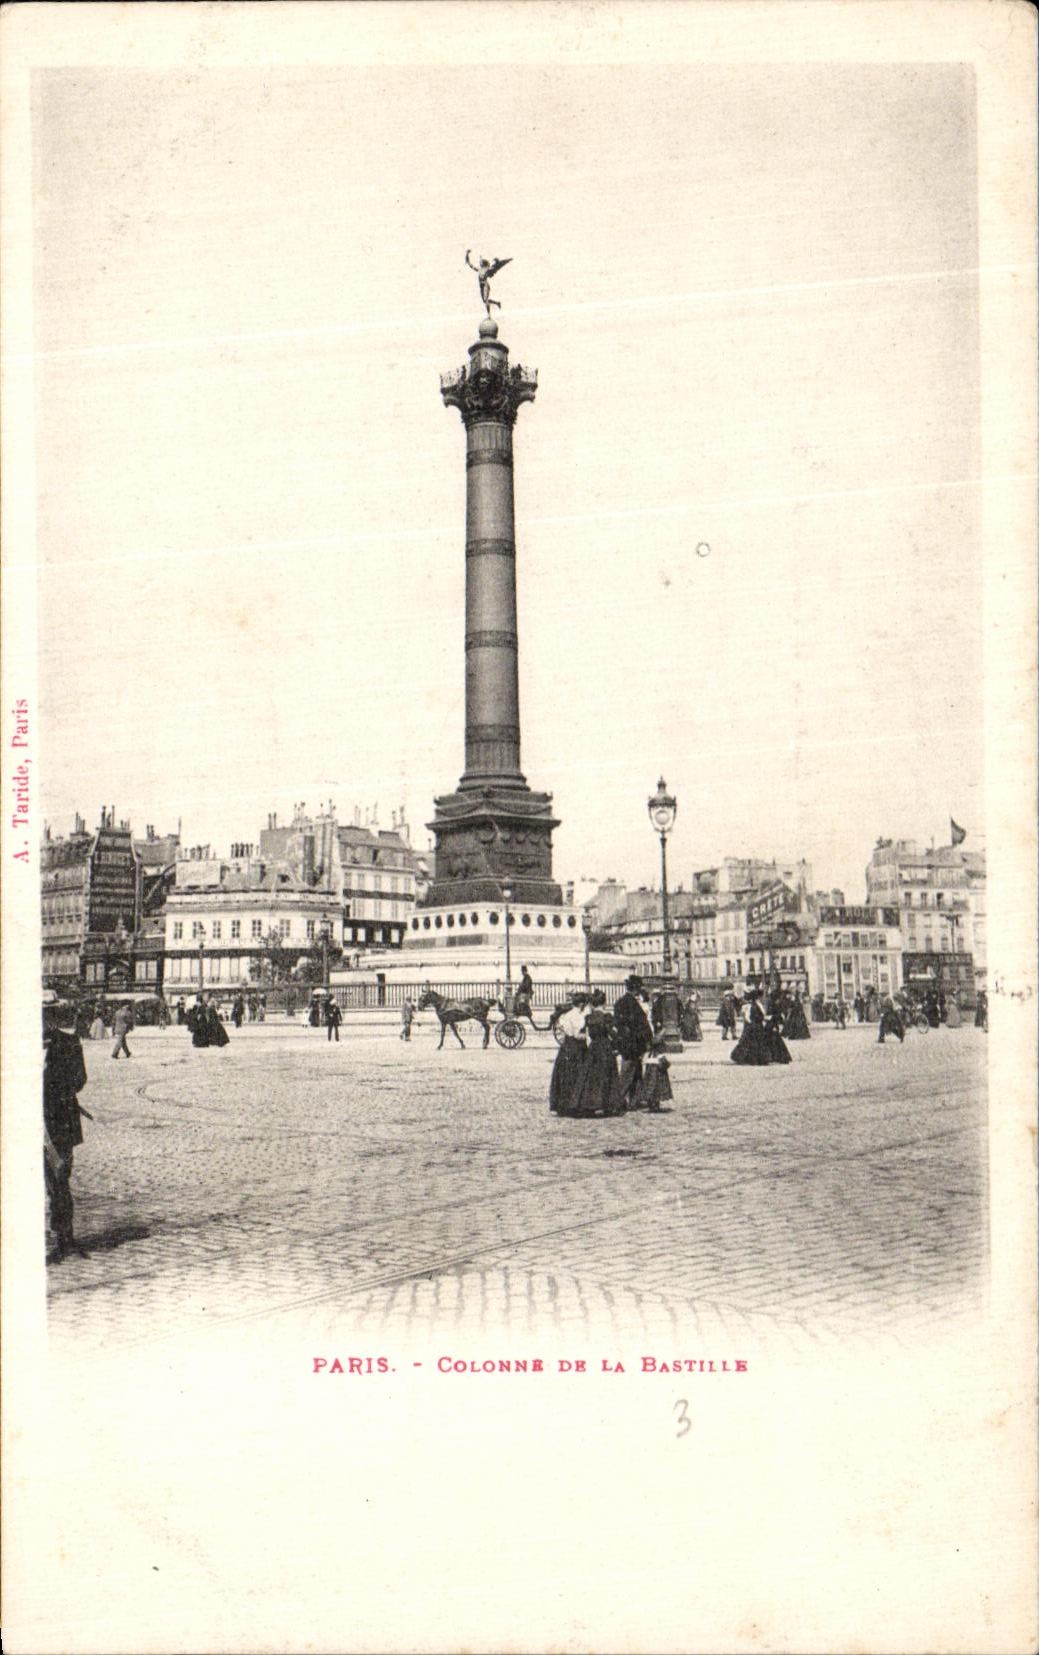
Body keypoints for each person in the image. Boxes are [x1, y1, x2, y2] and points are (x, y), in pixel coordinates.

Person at [43, 998, 90, 1262]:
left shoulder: (69, 1043)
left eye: (46, 1014)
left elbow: (79, 1079)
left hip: (59, 1121)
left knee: (59, 1180)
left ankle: (64, 1237)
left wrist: (50, 1086)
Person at [570, 990, 625, 1117]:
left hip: (593, 1047)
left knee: (592, 1076)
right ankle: (607, 1104)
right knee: (607, 1075)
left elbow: (583, 1032)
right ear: (604, 1003)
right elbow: (613, 1034)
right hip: (605, 1047)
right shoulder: (607, 1017)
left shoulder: (588, 1017)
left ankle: (589, 1103)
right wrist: (617, 1046)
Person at [612, 975, 653, 1108]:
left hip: (626, 1042)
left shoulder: (620, 1002)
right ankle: (619, 1101)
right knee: (629, 1072)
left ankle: (634, 1100)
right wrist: (648, 1039)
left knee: (634, 1071)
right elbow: (641, 1024)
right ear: (636, 988)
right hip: (633, 1043)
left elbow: (617, 1023)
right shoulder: (633, 1003)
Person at [549, 994, 591, 1116]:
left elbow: (565, 1031)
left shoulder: (567, 1015)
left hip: (566, 1047)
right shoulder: (578, 1016)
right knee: (576, 1074)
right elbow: (577, 1035)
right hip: (577, 1047)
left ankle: (562, 1105)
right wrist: (588, 1036)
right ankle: (574, 1105)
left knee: (564, 1075)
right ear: (582, 1005)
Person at [729, 987, 773, 1066]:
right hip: (755, 1026)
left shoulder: (755, 1005)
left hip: (756, 1026)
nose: (761, 998)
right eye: (760, 997)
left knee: (753, 1043)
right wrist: (756, 1022)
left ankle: (756, 1059)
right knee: (754, 1043)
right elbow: (748, 1017)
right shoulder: (752, 1005)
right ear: (757, 997)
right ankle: (756, 1059)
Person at [637, 1037, 674, 1111]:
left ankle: (651, 1104)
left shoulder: (649, 1055)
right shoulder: (660, 1056)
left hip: (649, 1077)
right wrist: (668, 1064)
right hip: (658, 1077)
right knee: (657, 1091)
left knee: (650, 1089)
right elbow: (664, 1064)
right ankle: (655, 1105)